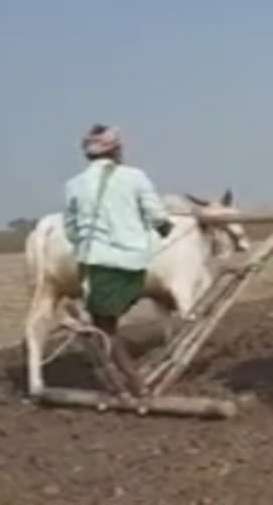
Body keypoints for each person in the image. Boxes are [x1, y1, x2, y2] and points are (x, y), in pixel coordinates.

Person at [63, 123, 174, 396]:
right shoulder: (135, 177)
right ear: (116, 150)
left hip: (98, 263)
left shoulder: (73, 185)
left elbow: (71, 229)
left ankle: (134, 383)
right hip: (134, 264)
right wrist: (165, 227)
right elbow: (157, 216)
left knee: (104, 327)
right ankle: (129, 379)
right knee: (108, 320)